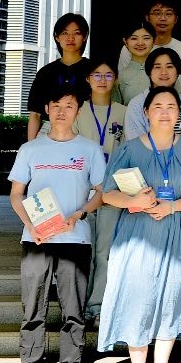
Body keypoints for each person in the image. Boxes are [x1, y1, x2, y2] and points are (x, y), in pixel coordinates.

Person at [98, 86, 181, 363]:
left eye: (171, 106)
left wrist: (171, 206)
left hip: (179, 229)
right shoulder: (129, 149)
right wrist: (133, 200)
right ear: (146, 112)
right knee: (139, 299)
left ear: (179, 113)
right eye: (157, 106)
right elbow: (107, 194)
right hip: (138, 233)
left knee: (171, 297)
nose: (164, 112)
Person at [4, 86, 105, 363]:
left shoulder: (89, 149)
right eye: (56, 104)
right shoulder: (30, 149)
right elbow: (16, 194)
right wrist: (30, 224)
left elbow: (101, 193)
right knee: (32, 308)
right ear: (47, 109)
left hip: (75, 238)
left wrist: (79, 214)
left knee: (73, 309)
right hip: (37, 238)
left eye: (69, 105)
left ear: (78, 110)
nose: (62, 110)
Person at [72, 59, 126, 329]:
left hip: (114, 192)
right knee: (84, 251)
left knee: (105, 252)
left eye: (108, 75)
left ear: (116, 78)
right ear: (88, 79)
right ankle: (78, 306)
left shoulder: (124, 112)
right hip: (83, 194)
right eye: (97, 74)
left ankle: (97, 306)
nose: (102, 80)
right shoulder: (77, 111)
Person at [26, 13, 93, 140]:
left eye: (77, 33)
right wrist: (31, 145)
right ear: (57, 37)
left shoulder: (94, 70)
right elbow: (35, 114)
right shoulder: (46, 72)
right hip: (50, 131)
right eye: (65, 33)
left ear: (84, 37)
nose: (70, 38)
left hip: (86, 130)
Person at [119, 0, 181, 98]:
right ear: (147, 17)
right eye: (157, 13)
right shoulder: (132, 49)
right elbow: (122, 83)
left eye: (168, 14)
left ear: (176, 19)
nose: (163, 18)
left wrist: (177, 106)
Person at [123, 47, 181, 140]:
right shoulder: (137, 104)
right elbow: (135, 142)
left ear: (178, 72)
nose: (164, 72)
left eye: (169, 67)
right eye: (157, 67)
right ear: (149, 72)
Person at [113, 22, 156, 104]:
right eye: (134, 38)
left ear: (154, 41)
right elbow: (116, 107)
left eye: (146, 38)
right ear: (125, 42)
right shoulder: (120, 77)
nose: (140, 43)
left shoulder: (163, 72)